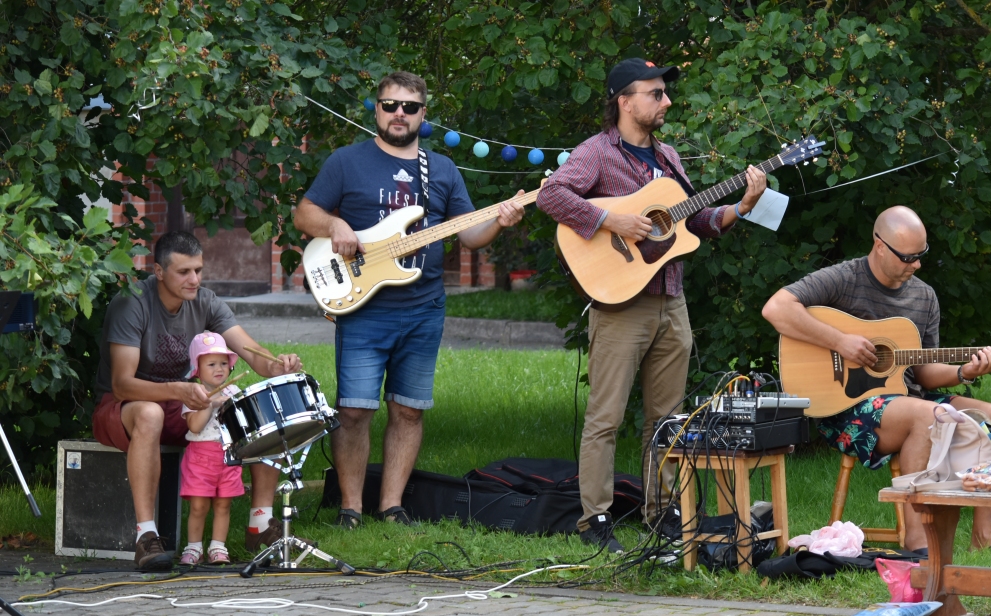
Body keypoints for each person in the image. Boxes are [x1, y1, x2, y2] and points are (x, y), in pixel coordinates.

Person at [536, 57, 767, 552]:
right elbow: (551, 196)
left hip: (671, 300)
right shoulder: (596, 152)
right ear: (623, 99)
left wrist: (742, 207)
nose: (666, 101)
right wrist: (610, 222)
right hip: (621, 303)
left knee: (668, 419)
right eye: (654, 93)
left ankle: (660, 511)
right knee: (606, 417)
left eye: (664, 93)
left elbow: (695, 222)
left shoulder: (668, 158)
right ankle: (594, 519)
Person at [293, 71, 525, 528]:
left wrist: (501, 219)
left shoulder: (441, 170)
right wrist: (334, 226)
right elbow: (305, 212)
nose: (399, 113)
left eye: (410, 107)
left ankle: (392, 506)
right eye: (390, 104)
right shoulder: (346, 161)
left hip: (423, 309)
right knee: (354, 410)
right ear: (376, 108)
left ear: (423, 113)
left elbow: (470, 235)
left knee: (408, 409)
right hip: (364, 307)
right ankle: (350, 509)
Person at [761, 205, 991, 554]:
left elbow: (923, 374)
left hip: (906, 400)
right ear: (880, 245)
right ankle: (918, 542)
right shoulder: (844, 278)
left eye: (921, 256)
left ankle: (986, 538)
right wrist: (839, 341)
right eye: (908, 257)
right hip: (847, 410)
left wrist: (962, 372)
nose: (917, 265)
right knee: (927, 415)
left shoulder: (924, 296)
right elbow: (776, 308)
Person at [92, 231, 302, 570]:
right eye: (184, 272)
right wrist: (179, 390)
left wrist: (278, 364)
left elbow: (251, 353)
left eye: (199, 270)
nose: (195, 280)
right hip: (125, 409)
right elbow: (121, 385)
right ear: (159, 272)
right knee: (149, 414)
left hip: (188, 407)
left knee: (257, 408)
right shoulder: (132, 302)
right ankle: (146, 537)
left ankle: (259, 523)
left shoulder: (206, 301)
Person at [178, 332, 244, 566]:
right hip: (200, 458)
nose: (219, 368)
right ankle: (194, 548)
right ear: (197, 368)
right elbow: (194, 426)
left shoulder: (234, 394)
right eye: (212, 364)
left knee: (223, 504)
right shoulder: (194, 395)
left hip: (228, 455)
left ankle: (218, 547)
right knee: (198, 505)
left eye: (224, 363)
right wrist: (210, 404)